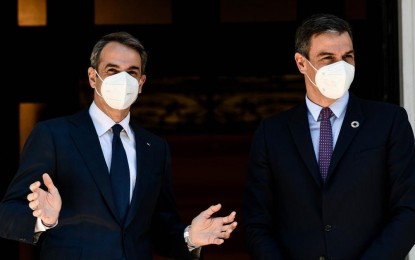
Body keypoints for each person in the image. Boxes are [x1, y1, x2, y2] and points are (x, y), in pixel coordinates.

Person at [0, 31, 237, 260]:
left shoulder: (155, 148)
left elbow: (159, 230)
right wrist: (44, 220)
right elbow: (8, 212)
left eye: (131, 73)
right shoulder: (53, 135)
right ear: (93, 77)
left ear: (141, 82)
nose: (122, 80)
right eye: (112, 71)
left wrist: (189, 237)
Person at [242, 13, 415, 260]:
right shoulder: (272, 133)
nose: (341, 66)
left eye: (348, 57)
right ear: (302, 63)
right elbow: (256, 221)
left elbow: (409, 209)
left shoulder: (388, 122)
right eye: (328, 58)